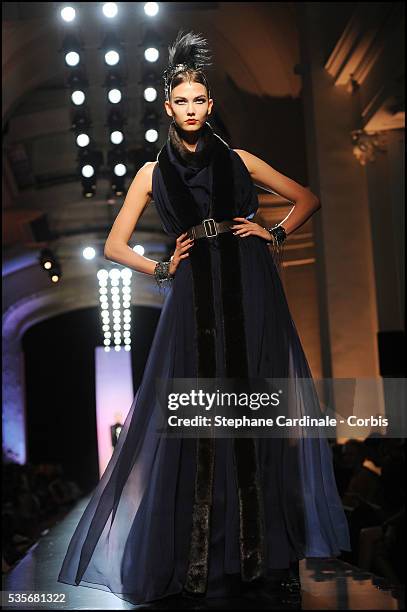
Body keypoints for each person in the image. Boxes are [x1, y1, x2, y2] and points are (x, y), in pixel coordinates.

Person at [57, 30, 351, 605]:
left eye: (199, 100)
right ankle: (201, 557)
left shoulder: (240, 160)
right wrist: (161, 267)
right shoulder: (150, 173)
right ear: (168, 109)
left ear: (208, 105)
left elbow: (307, 197)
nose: (191, 110)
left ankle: (269, 556)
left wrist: (272, 232)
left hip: (250, 287)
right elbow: (115, 245)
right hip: (193, 294)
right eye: (181, 102)